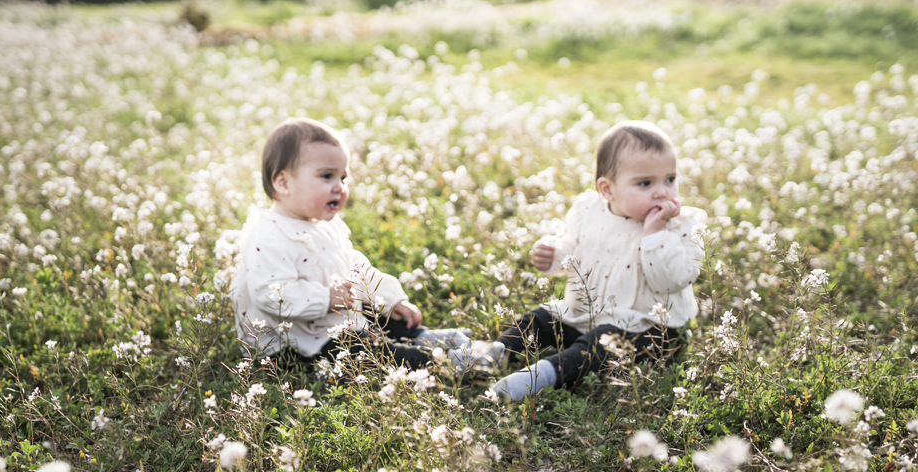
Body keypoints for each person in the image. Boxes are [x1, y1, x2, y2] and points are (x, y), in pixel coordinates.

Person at [486, 120, 708, 401]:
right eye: (645, 183)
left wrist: (654, 234)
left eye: (670, 179)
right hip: (582, 313)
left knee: (599, 346)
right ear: (607, 190)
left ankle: (544, 374)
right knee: (541, 319)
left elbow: (671, 280)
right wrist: (554, 255)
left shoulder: (681, 226)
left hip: (647, 328)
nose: (662, 192)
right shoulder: (589, 211)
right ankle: (494, 353)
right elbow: (575, 251)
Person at [231, 117, 470, 369]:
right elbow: (269, 295)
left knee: (375, 313)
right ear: (283, 182)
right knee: (361, 352)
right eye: (327, 176)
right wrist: (325, 298)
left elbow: (353, 266)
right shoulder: (269, 237)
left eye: (343, 177)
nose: (339, 187)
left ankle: (420, 336)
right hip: (293, 341)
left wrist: (389, 299)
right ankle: (440, 361)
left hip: (331, 318)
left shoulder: (325, 224)